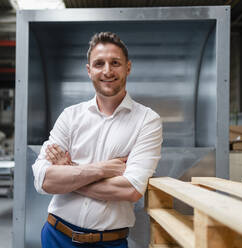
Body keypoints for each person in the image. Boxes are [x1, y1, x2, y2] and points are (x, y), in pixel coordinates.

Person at [32, 31, 163, 248]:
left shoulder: (147, 121)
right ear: (89, 70)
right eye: (99, 63)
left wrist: (70, 171)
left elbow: (130, 189)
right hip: (57, 236)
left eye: (115, 63)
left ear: (128, 67)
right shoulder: (70, 116)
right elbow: (43, 179)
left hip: (109, 243)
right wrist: (102, 170)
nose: (107, 71)